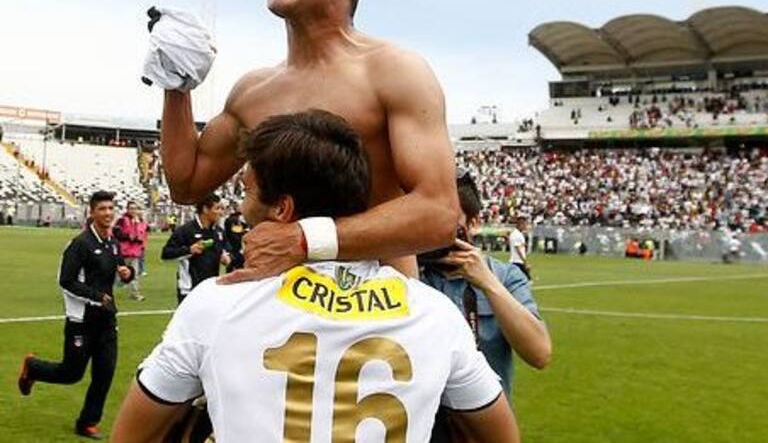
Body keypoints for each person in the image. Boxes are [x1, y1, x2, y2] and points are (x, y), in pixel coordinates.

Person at [112, 110, 519, 443]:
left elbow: (133, 436)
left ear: (282, 210)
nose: (241, 207)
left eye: (249, 193)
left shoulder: (216, 304)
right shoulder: (434, 315)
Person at [159, 0, 458, 280]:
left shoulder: (394, 71)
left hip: (374, 306)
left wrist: (305, 240)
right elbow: (187, 184)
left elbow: (440, 212)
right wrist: (176, 84)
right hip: (273, 305)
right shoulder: (253, 91)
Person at [422, 171, 551, 407]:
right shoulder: (410, 273)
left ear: (473, 224)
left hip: (486, 425)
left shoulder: (504, 276)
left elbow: (539, 353)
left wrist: (488, 283)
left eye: (446, 221)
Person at [18, 191, 134, 440]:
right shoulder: (79, 244)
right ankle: (33, 367)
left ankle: (87, 422)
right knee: (71, 374)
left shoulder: (112, 243)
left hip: (106, 320)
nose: (107, 213)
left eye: (111, 208)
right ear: (91, 213)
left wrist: (127, 273)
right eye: (102, 208)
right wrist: (95, 296)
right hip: (81, 321)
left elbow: (122, 269)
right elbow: (66, 281)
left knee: (105, 373)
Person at [161, 193, 230, 304]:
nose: (221, 213)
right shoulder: (185, 230)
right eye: (217, 208)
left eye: (222, 209)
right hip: (189, 290)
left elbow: (227, 251)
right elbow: (166, 254)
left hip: (211, 289)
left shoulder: (219, 232)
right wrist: (189, 250)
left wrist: (226, 257)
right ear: (205, 209)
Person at [113, 201, 148, 300]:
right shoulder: (122, 220)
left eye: (135, 208)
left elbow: (142, 234)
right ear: (127, 209)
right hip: (123, 252)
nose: (133, 210)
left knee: (134, 274)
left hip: (135, 252)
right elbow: (116, 233)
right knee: (117, 274)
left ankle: (135, 294)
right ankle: (106, 290)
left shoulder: (139, 221)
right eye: (131, 208)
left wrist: (140, 242)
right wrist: (128, 237)